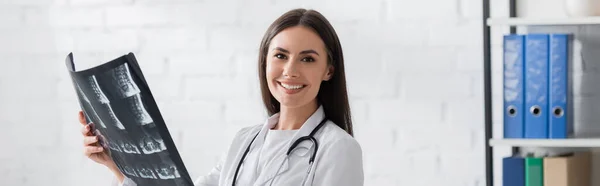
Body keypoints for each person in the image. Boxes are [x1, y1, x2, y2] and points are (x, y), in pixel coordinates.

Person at [79, 8, 364, 186]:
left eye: (307, 59)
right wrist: (116, 166)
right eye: (280, 55)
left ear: (329, 70)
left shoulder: (338, 149)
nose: (290, 71)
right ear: (265, 61)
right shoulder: (245, 141)